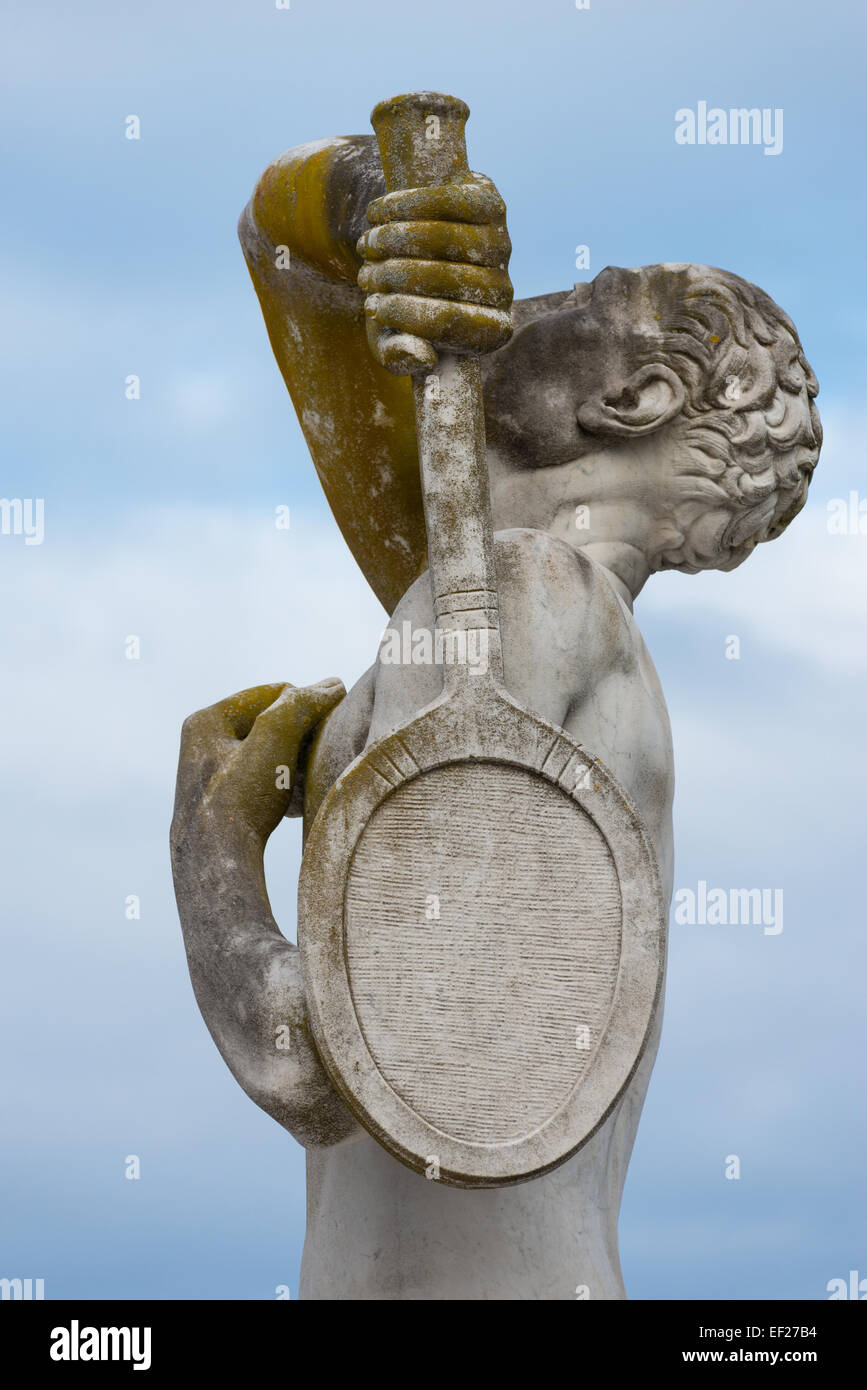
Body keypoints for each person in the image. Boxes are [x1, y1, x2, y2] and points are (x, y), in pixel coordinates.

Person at [170, 133, 820, 1299]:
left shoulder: (530, 591)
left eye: (586, 295)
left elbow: (315, 1061)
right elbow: (280, 237)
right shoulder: (564, 629)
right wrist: (380, 200)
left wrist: (210, 842)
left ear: (639, 395)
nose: (528, 305)